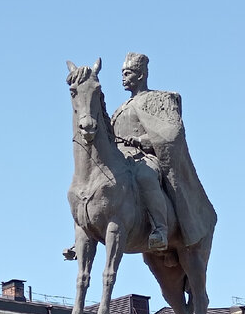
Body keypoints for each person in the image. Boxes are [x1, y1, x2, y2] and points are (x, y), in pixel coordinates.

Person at [63, 53, 216, 260]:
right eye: (122, 73)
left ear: (141, 75)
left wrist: (142, 141)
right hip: (121, 158)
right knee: (87, 187)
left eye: (128, 73)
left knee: (146, 176)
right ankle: (84, 230)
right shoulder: (119, 110)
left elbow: (171, 132)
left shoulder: (157, 100)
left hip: (145, 157)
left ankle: (160, 229)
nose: (123, 78)